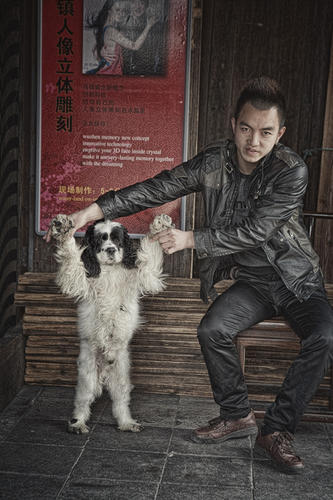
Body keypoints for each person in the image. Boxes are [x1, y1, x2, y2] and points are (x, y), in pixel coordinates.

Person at [45, 77, 333, 473]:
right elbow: (158, 187)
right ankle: (236, 415)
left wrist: (189, 239)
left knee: (325, 336)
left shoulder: (290, 171)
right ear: (233, 124)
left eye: (266, 132)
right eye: (246, 128)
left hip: (297, 280)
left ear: (279, 134)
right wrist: (90, 213)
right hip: (254, 284)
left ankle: (276, 430)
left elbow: (256, 230)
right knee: (212, 330)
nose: (254, 140)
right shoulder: (213, 162)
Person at [85, 0, 158, 75]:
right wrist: (100, 51)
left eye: (141, 3)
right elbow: (97, 48)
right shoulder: (119, 25)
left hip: (142, 72)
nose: (137, 6)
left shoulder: (154, 24)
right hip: (120, 72)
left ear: (146, 6)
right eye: (134, 2)